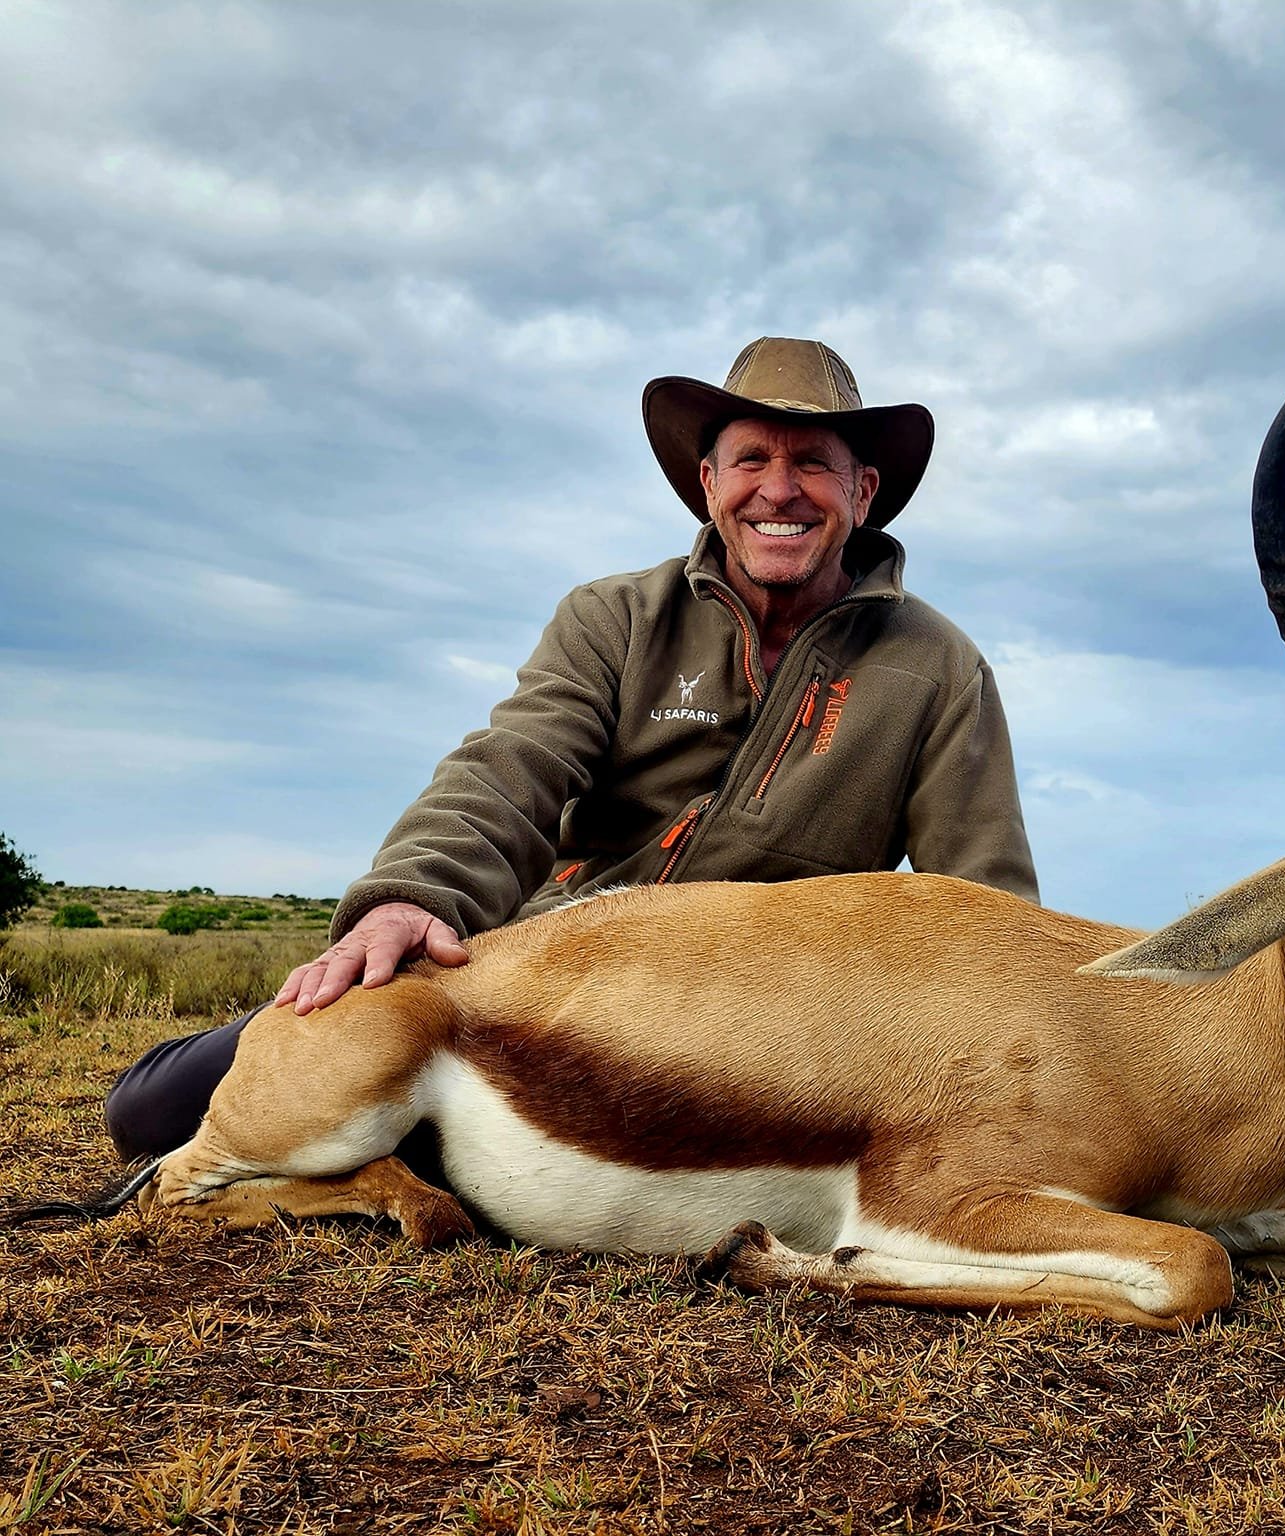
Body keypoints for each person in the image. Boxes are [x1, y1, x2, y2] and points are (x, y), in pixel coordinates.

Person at [105, 337, 1038, 1163]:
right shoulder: (615, 617)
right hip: (552, 973)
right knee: (157, 1112)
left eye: (815, 464)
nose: (780, 489)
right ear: (708, 485)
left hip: (777, 1021)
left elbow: (986, 908)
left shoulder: (939, 667)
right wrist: (409, 900)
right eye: (750, 458)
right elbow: (511, 768)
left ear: (863, 491)